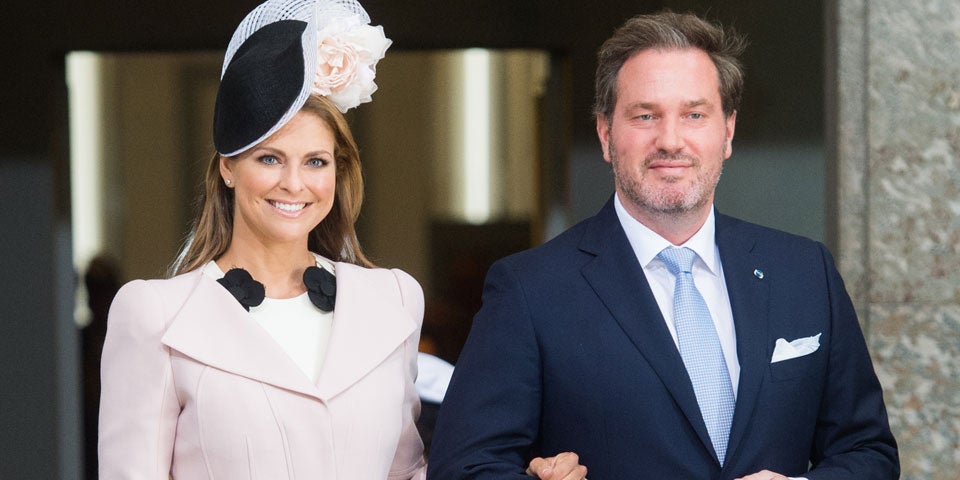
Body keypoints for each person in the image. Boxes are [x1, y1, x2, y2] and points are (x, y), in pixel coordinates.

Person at [98, 1, 585, 478]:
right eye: (269, 159)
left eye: (316, 161)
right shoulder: (155, 314)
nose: (294, 184)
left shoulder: (392, 299)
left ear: (338, 171)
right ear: (228, 168)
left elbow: (408, 472)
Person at [427, 11, 899, 480]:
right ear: (606, 134)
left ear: (727, 131)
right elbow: (463, 469)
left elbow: (868, 452)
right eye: (645, 116)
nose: (670, 140)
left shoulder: (805, 272)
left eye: (694, 115)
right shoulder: (530, 289)